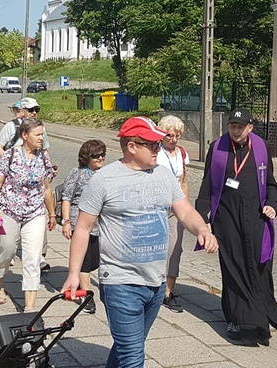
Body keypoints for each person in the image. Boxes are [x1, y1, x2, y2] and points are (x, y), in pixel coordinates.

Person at [61, 116, 218, 368]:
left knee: (129, 347)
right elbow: (83, 228)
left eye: (159, 143)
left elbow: (185, 210)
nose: (159, 147)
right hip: (121, 282)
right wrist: (72, 273)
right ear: (132, 146)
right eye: (152, 144)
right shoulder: (103, 180)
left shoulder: (164, 175)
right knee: (133, 357)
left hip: (155, 281)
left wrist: (202, 229)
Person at [195, 108, 277, 345]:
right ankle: (235, 319)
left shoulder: (262, 147)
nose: (235, 130)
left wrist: (272, 205)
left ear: (250, 128)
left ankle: (260, 319)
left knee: (258, 268)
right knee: (233, 269)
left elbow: (272, 185)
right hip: (227, 220)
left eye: (240, 126)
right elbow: (206, 186)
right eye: (232, 125)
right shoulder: (218, 147)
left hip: (257, 219)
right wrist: (202, 219)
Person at [0, 118, 56, 311]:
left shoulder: (44, 157)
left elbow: (47, 188)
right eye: (38, 135)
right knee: (7, 249)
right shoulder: (10, 155)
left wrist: (52, 214)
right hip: (9, 210)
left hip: (35, 213)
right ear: (25, 136)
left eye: (42, 134)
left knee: (33, 257)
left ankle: (30, 307)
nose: (42, 138)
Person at [61, 139, 106, 314]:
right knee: (86, 261)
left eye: (103, 155)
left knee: (94, 260)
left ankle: (79, 278)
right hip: (79, 220)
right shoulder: (77, 173)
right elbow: (67, 197)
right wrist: (66, 221)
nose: (100, 158)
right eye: (96, 156)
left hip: (99, 224)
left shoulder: (104, 174)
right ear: (87, 157)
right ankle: (87, 296)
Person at [156, 115, 189, 313]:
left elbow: (183, 181)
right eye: (169, 135)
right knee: (157, 248)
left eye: (177, 135)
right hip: (157, 206)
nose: (173, 139)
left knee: (174, 249)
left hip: (175, 207)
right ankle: (153, 287)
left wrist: (186, 209)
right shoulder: (155, 151)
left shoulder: (182, 153)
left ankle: (168, 291)